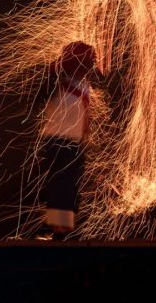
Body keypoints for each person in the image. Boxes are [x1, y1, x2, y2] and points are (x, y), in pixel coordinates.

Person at [37, 41, 105, 240]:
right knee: (62, 183)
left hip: (70, 140)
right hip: (59, 139)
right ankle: (59, 228)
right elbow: (42, 93)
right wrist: (55, 70)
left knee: (65, 183)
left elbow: (102, 80)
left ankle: (60, 227)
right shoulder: (59, 80)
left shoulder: (82, 82)